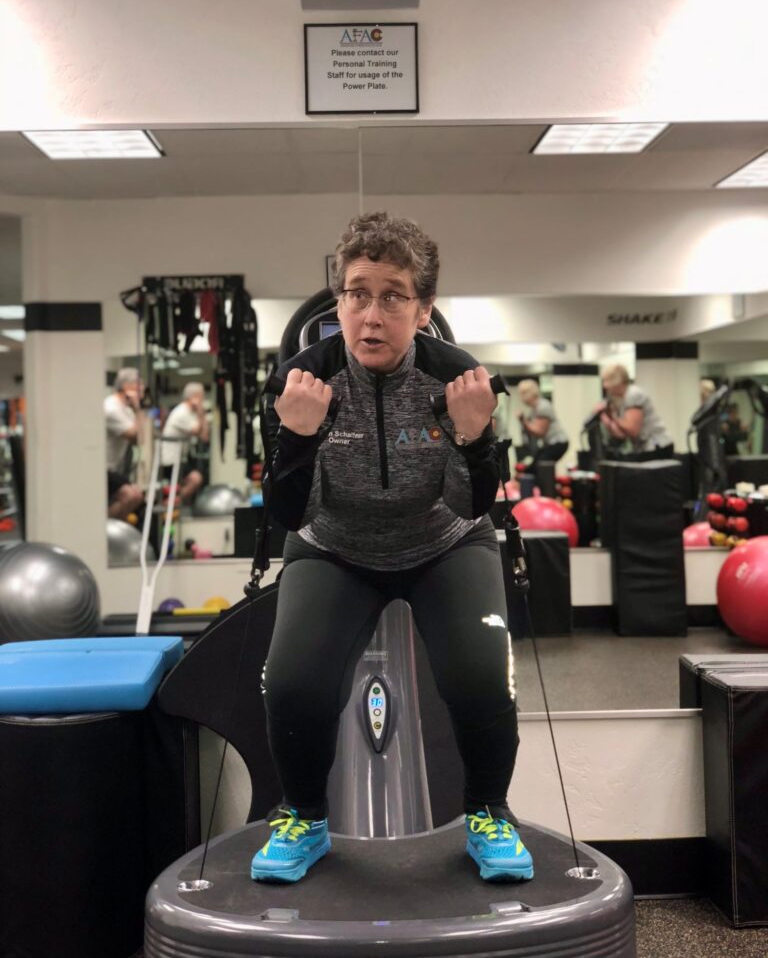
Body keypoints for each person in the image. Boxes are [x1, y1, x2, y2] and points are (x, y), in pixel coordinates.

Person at [251, 212, 532, 885]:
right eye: (356, 293)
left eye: (392, 296)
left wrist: (472, 437)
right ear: (339, 300)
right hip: (334, 547)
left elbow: (472, 504)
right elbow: (290, 513)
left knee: (480, 677)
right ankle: (305, 818)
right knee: (291, 684)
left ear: (423, 308)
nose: (370, 315)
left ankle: (489, 812)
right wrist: (298, 439)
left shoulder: (459, 379)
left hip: (445, 543)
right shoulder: (298, 384)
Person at [597, 364, 673, 460]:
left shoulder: (633, 394)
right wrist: (606, 418)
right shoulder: (622, 399)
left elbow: (632, 430)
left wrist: (614, 417)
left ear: (616, 381)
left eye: (606, 381)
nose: (605, 386)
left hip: (657, 447)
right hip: (644, 448)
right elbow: (621, 435)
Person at [159, 382, 210, 503]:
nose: (203, 400)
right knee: (195, 479)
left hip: (180, 458)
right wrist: (200, 411)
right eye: (202, 397)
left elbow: (205, 436)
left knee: (196, 478)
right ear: (195, 396)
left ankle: (174, 503)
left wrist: (200, 413)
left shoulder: (190, 413)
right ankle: (171, 504)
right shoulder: (181, 412)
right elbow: (198, 431)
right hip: (170, 460)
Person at [104, 367, 144, 520]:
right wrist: (138, 409)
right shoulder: (111, 408)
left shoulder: (125, 410)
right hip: (101, 469)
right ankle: (103, 528)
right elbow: (135, 435)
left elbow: (138, 441)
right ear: (128, 387)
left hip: (113, 469)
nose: (143, 390)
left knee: (137, 496)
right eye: (139, 385)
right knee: (132, 495)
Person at [516, 379, 569, 468]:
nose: (521, 397)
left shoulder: (542, 407)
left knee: (540, 466)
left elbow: (540, 432)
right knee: (533, 467)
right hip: (549, 444)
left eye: (523, 393)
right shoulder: (535, 409)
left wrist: (523, 421)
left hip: (558, 443)